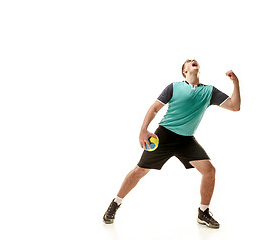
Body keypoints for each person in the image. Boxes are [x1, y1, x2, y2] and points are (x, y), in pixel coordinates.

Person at [103, 59, 241, 228]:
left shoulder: (209, 91)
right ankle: (115, 203)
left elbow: (235, 106)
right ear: (184, 71)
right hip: (164, 136)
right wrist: (143, 130)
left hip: (186, 140)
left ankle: (203, 212)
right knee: (140, 171)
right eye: (188, 62)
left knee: (209, 170)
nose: (192, 61)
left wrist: (236, 83)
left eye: (194, 60)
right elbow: (154, 108)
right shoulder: (174, 87)